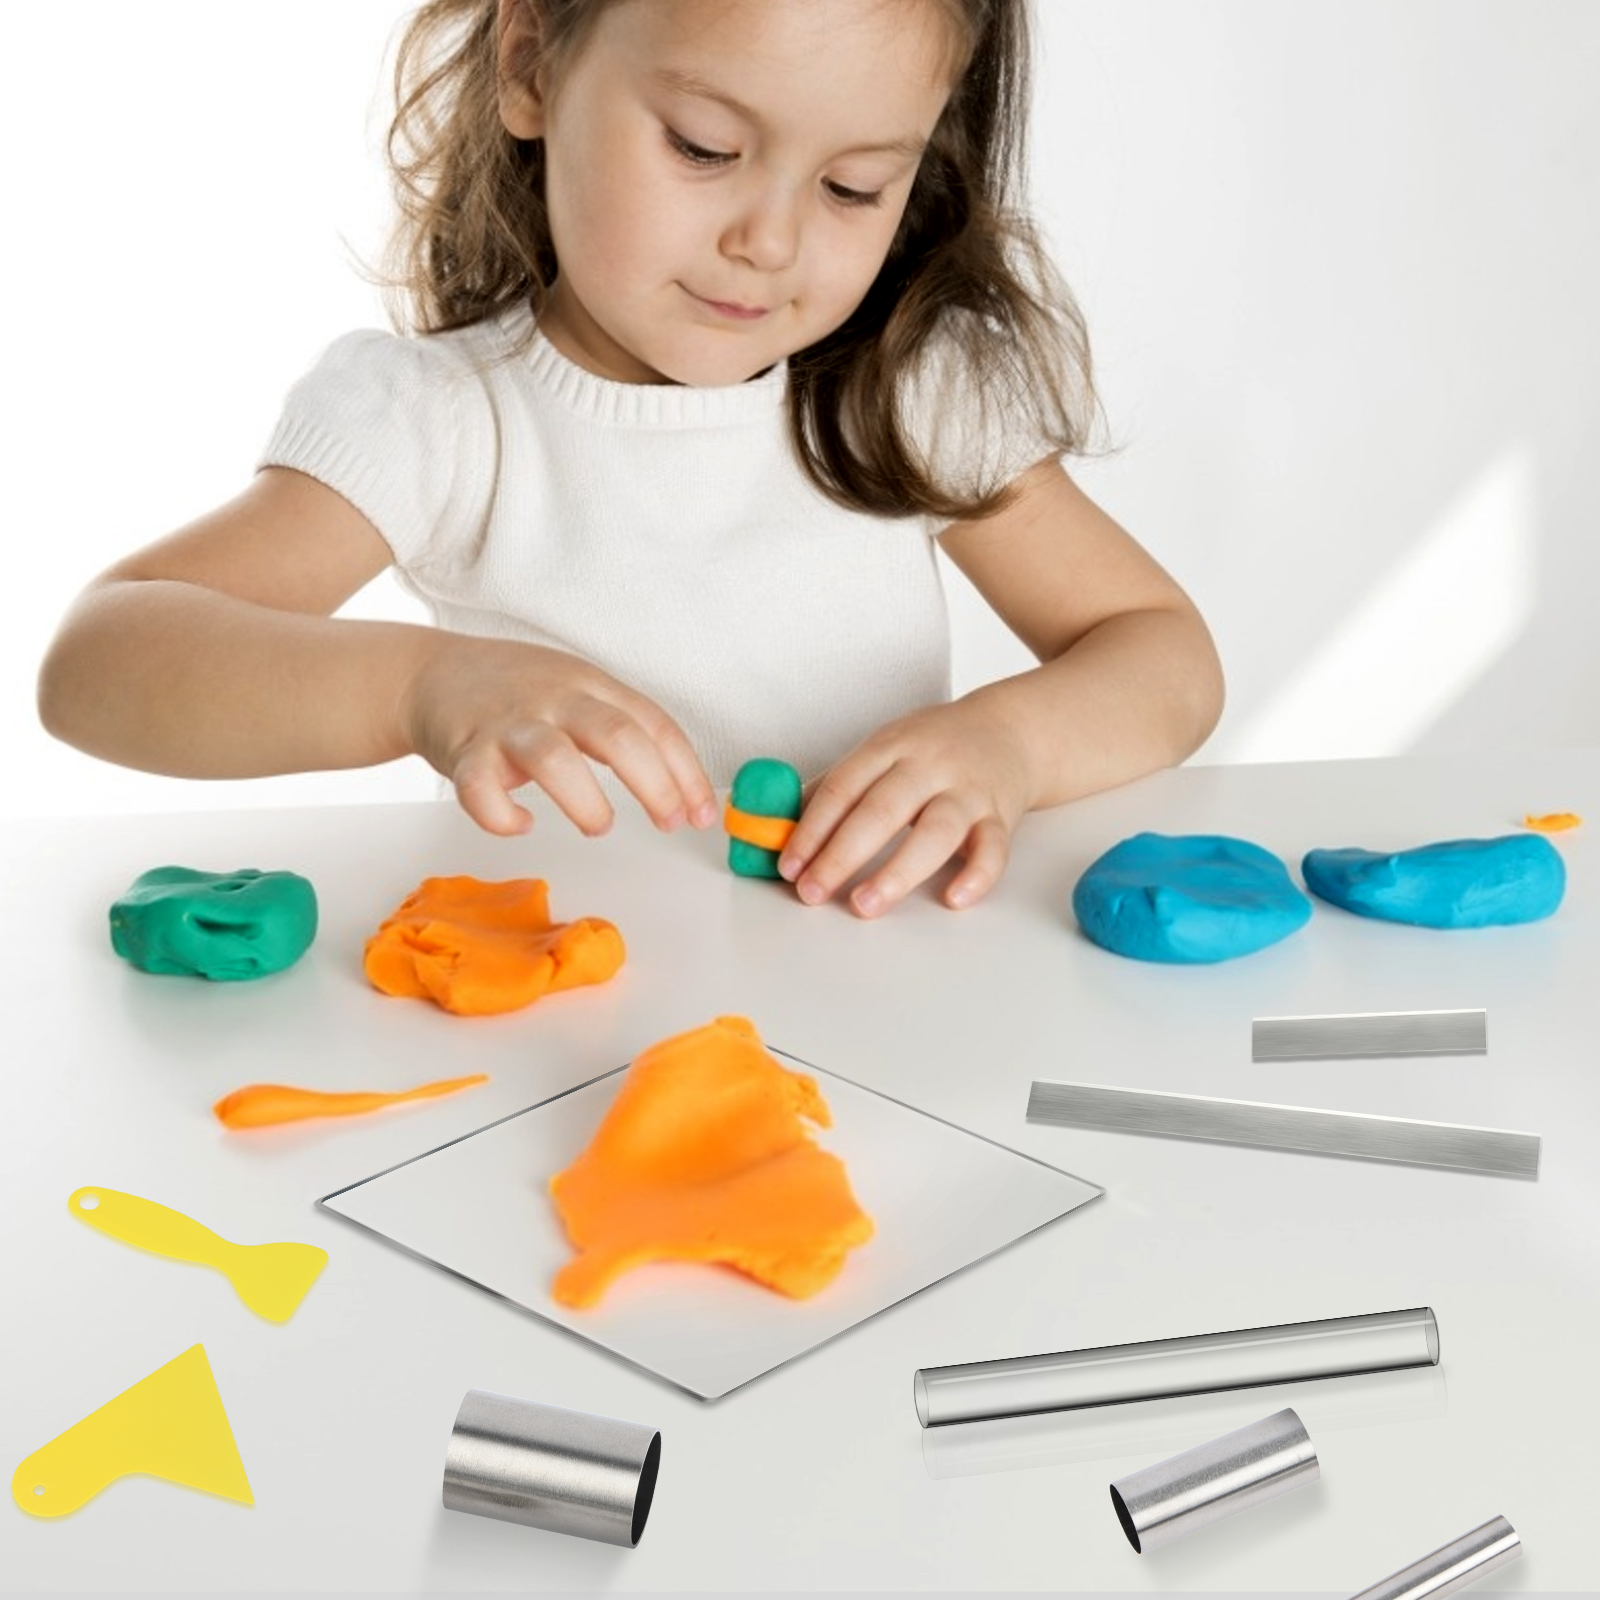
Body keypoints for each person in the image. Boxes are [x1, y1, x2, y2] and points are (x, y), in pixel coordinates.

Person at [37, 0, 1223, 919]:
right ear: (530, 66)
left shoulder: (906, 393)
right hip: (561, 1027)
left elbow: (1159, 650)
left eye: (852, 185)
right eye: (705, 148)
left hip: (868, 1003)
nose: (769, 241)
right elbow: (99, 662)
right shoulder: (445, 417)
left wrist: (1008, 746)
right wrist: (415, 688)